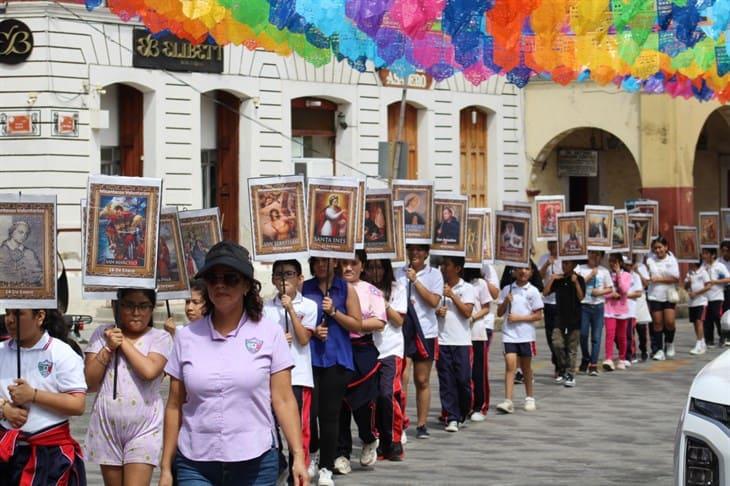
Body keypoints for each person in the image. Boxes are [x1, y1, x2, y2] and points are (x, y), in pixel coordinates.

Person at [159, 241, 307, 486]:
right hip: (196, 462)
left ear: (247, 285)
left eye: (231, 278)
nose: (221, 285)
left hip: (256, 461)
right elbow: (174, 405)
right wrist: (166, 467)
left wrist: (298, 456)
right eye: (213, 278)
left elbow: (283, 400)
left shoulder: (269, 334)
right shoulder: (186, 338)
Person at [84, 288, 173, 486]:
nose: (136, 312)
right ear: (117, 306)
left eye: (143, 306)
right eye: (129, 305)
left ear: (152, 308)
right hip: (107, 425)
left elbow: (149, 371)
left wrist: (122, 342)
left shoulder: (160, 337)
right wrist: (108, 348)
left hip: (144, 427)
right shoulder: (102, 334)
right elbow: (90, 383)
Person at [0, 308, 86, 485]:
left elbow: (77, 404)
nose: (9, 320)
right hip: (5, 454)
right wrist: (4, 408)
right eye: (7, 313)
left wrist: (33, 395)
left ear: (39, 316)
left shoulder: (61, 352)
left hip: (49, 457)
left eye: (17, 314)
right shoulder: (1, 351)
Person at [303, 257, 362, 486]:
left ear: (334, 262)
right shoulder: (304, 287)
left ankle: (326, 467)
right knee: (310, 413)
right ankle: (313, 451)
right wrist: (312, 331)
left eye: (325, 261)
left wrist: (335, 312)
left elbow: (357, 324)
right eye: (316, 261)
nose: (320, 265)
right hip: (309, 359)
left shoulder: (345, 288)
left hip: (337, 359)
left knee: (329, 416)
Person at [263, 260, 318, 485]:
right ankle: (281, 464)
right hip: (272, 377)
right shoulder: (265, 308)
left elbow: (304, 339)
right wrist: (275, 341)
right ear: (274, 280)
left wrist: (291, 310)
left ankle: (300, 472)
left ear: (299, 278)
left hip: (299, 376)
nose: (284, 279)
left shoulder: (309, 305)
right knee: (270, 426)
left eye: (289, 274)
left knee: (300, 428)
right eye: (279, 275)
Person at [334, 251, 386, 475]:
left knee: (363, 404)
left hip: (362, 349)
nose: (348, 268)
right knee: (338, 406)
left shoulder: (371, 291)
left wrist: (355, 324)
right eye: (343, 263)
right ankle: (341, 453)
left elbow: (380, 321)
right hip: (336, 348)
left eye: (353, 264)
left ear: (362, 266)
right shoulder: (332, 288)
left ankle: (368, 438)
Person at [396, 244, 443, 440]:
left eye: (419, 250)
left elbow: (433, 302)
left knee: (422, 380)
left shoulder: (434, 275)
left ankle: (421, 424)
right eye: (411, 249)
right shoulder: (398, 272)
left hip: (426, 332)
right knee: (402, 378)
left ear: (426, 253)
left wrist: (415, 281)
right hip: (403, 330)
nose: (415, 253)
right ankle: (401, 422)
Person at [363, 258, 406, 461]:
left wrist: (383, 302)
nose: (375, 271)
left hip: (391, 349)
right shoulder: (361, 289)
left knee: (387, 394)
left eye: (379, 267)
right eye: (371, 267)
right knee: (372, 397)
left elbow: (399, 321)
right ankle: (380, 439)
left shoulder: (397, 289)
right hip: (369, 348)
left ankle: (394, 440)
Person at [435, 256, 475, 432]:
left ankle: (463, 411)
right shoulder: (437, 288)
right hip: (442, 340)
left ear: (457, 268)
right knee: (446, 381)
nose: (443, 268)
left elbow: (467, 312)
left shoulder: (467, 288)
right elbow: (430, 308)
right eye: (442, 264)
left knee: (463, 380)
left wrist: (452, 295)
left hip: (461, 341)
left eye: (447, 265)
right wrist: (438, 311)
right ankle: (451, 416)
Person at [496, 266, 543, 413]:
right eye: (520, 269)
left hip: (526, 335)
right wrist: (505, 302)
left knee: (525, 368)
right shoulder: (507, 289)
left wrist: (519, 318)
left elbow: (538, 315)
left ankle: (529, 397)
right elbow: (499, 312)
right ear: (514, 271)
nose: (523, 272)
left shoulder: (533, 291)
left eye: (527, 269)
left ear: (531, 272)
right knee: (510, 366)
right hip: (509, 334)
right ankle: (508, 400)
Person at [543, 260, 584, 387]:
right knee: (556, 343)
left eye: (567, 263)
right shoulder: (559, 279)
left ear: (573, 265)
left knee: (572, 348)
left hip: (574, 318)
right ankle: (563, 367)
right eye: (563, 263)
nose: (564, 266)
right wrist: (551, 279)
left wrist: (575, 282)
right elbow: (545, 293)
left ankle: (570, 374)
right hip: (559, 318)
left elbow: (581, 297)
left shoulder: (579, 278)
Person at [576, 251, 613, 376]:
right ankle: (585, 357)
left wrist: (600, 292)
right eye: (592, 254)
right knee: (583, 334)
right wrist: (590, 275)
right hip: (584, 305)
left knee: (596, 337)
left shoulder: (604, 271)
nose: (594, 257)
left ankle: (593, 364)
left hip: (598, 306)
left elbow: (610, 288)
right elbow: (577, 284)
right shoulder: (580, 269)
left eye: (598, 255)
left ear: (601, 257)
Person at [463, 267, 492, 422]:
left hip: (477, 333)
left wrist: (473, 317)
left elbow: (487, 307)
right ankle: (463, 405)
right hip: (459, 334)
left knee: (478, 372)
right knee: (462, 372)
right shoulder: (453, 283)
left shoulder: (480, 283)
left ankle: (480, 405)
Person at [646, 237, 680, 360]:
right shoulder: (650, 260)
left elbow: (676, 278)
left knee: (670, 322)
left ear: (666, 247)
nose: (658, 250)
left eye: (660, 247)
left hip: (668, 295)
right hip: (654, 295)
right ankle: (659, 350)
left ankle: (669, 343)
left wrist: (659, 279)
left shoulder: (671, 260)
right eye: (655, 248)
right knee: (657, 323)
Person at [602, 253, 633, 371]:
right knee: (610, 334)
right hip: (609, 309)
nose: (612, 264)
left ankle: (622, 358)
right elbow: (604, 291)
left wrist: (618, 274)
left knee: (622, 336)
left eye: (614, 261)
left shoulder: (627, 275)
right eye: (610, 261)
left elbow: (624, 290)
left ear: (620, 262)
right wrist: (611, 294)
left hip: (622, 309)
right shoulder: (607, 275)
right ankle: (608, 358)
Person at [538, 241, 562, 377]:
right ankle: (556, 359)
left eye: (554, 244)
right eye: (549, 244)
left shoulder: (565, 259)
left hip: (561, 303)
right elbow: (538, 276)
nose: (551, 247)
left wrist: (556, 278)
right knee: (549, 336)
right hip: (548, 302)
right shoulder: (543, 258)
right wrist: (547, 264)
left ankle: (560, 365)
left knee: (559, 336)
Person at [701, 247, 729, 348]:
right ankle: (709, 339)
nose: (703, 256)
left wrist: (715, 282)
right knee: (707, 319)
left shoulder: (719, 266)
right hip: (705, 297)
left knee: (717, 317)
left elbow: (728, 279)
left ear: (712, 255)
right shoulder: (703, 266)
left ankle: (723, 337)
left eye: (706, 253)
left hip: (717, 296)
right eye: (703, 253)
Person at [685, 259, 710, 355]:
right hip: (692, 302)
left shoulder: (703, 272)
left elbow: (708, 285)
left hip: (701, 301)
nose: (688, 264)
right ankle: (702, 342)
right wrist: (688, 283)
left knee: (699, 321)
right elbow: (685, 287)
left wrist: (697, 293)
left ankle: (699, 344)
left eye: (690, 262)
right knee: (695, 323)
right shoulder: (689, 273)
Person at [631, 254, 653, 361]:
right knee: (630, 329)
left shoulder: (642, 267)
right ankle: (632, 351)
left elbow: (646, 284)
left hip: (640, 300)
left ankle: (644, 349)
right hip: (628, 300)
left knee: (641, 328)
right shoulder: (622, 267)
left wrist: (637, 272)